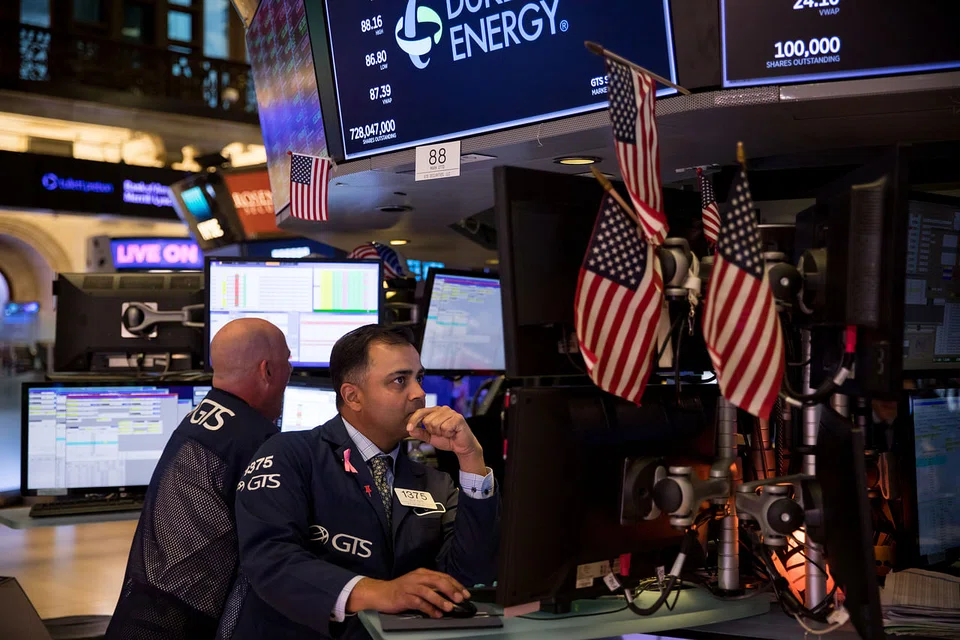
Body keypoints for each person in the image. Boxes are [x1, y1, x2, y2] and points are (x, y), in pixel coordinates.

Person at [223, 325, 499, 639]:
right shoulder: (289, 455)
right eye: (400, 380)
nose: (419, 393)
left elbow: (471, 577)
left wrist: (471, 457)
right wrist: (379, 592)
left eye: (419, 378)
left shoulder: (433, 482)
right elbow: (271, 559)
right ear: (353, 396)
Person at [106, 318, 292, 640]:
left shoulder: (199, 417)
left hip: (151, 617)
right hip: (195, 627)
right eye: (287, 361)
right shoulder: (257, 443)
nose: (291, 370)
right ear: (267, 371)